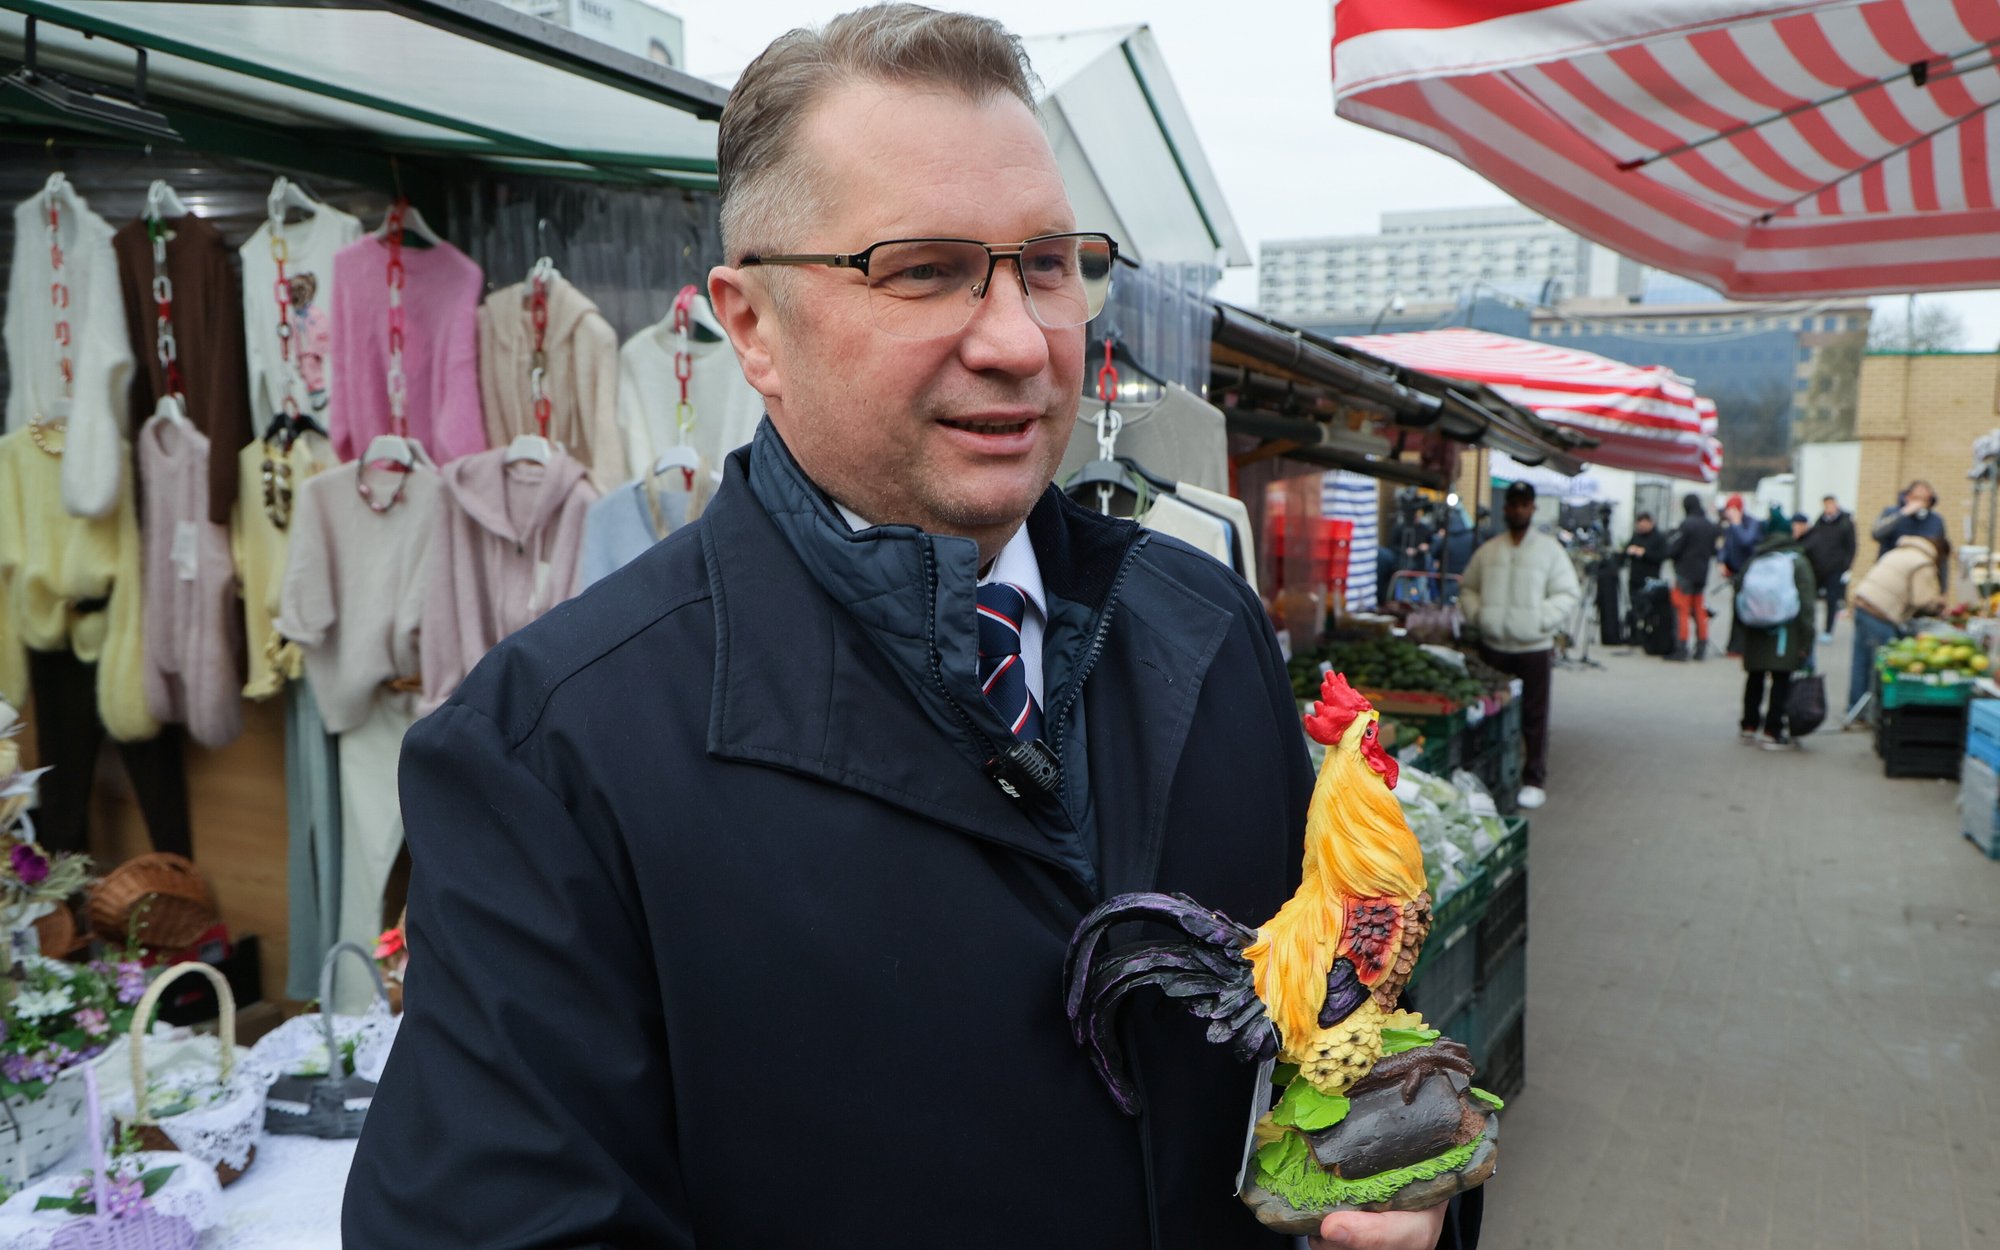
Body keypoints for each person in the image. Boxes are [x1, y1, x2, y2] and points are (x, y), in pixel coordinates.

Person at [342, 10, 1468, 1250]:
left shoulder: (1200, 623)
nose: (1016, 339)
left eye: (1046, 264)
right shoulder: (549, 754)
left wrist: (1387, 1194)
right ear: (752, 326)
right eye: (922, 269)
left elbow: (1324, 1035)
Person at [1459, 480, 1581, 811]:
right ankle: (1488, 778)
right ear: (1506, 508)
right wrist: (1479, 616)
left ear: (1532, 508)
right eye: (1513, 504)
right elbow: (1467, 588)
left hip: (1533, 647)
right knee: (1490, 714)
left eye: (1523, 504)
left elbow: (1568, 592)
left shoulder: (1549, 551)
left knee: (1534, 716)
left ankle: (1533, 778)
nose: (1517, 510)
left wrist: (1541, 619)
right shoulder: (1489, 551)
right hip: (1493, 645)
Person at [1734, 515, 1817, 750]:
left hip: (1755, 631)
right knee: (1781, 681)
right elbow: (1807, 605)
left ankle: (1748, 726)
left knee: (1755, 678)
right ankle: (1772, 730)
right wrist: (1806, 640)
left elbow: (1739, 591)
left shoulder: (1755, 558)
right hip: (1785, 634)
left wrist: (1741, 631)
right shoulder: (1797, 562)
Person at [1847, 533, 1949, 718]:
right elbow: (1922, 599)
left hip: (1863, 603)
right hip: (1880, 611)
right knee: (1882, 666)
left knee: (1861, 660)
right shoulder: (1923, 562)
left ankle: (1855, 708)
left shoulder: (1901, 551)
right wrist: (1939, 602)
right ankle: (1875, 713)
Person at [1664, 493, 1721, 661]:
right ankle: (1701, 647)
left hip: (1685, 572)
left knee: (1682, 610)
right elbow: (1714, 550)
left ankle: (1682, 648)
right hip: (1702, 573)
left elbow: (1674, 549)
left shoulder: (1686, 524)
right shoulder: (1709, 525)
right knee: (1699, 610)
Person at [1800, 494, 1856, 642]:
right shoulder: (1820, 522)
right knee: (1811, 598)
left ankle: (1828, 630)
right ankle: (1809, 628)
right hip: (1818, 568)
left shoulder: (1845, 523)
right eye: (1826, 505)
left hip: (1835, 568)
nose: (1829, 508)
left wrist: (1845, 566)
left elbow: (1851, 546)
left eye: (1831, 505)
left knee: (1832, 600)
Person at [1871, 479, 1947, 559]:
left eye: (1924, 500)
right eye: (1916, 498)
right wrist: (1903, 513)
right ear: (1908, 497)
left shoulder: (1936, 520)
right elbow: (1876, 534)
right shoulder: (1891, 512)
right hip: (1892, 565)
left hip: (1922, 566)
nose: (1920, 504)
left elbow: (1941, 551)